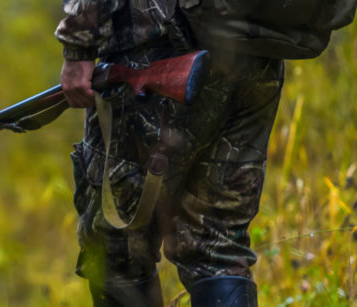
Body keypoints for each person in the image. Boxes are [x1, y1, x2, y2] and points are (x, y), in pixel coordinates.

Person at [55, 1, 284, 306]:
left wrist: (78, 45)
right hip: (257, 51)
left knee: (117, 250)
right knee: (217, 246)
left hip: (155, 46)